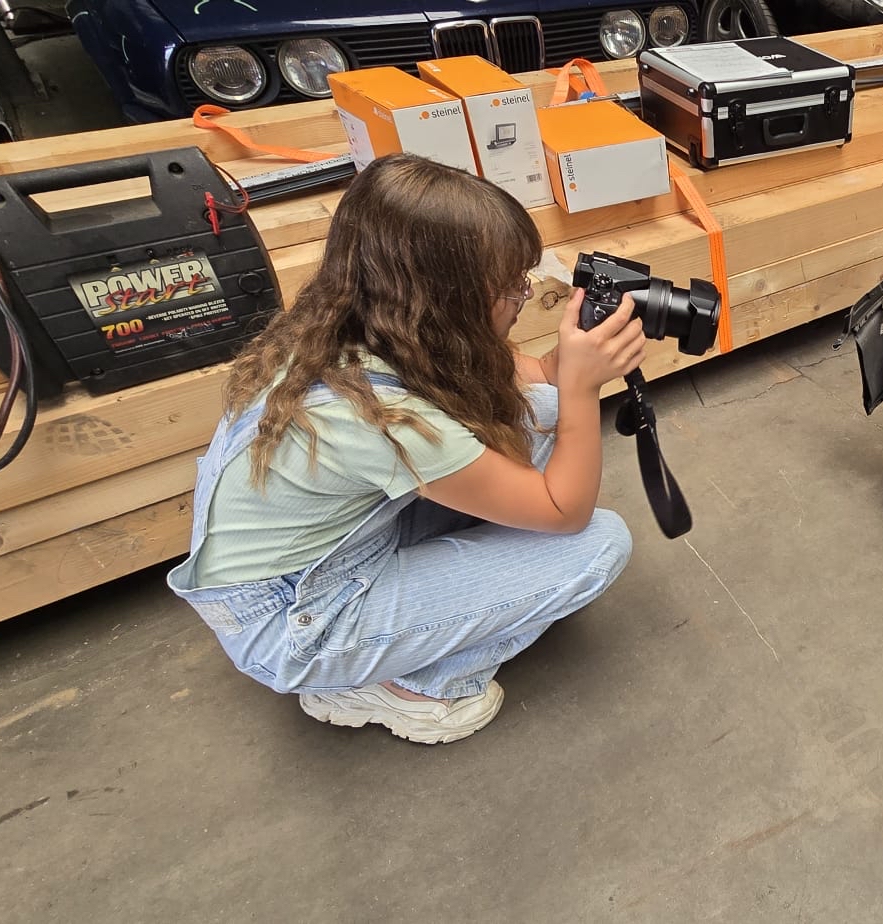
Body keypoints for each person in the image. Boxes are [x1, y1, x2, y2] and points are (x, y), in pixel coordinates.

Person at [167, 153, 646, 744]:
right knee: (597, 546)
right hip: (295, 623)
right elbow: (564, 511)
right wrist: (584, 389)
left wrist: (567, 363)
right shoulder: (376, 416)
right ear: (447, 300)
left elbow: (533, 378)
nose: (522, 297)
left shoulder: (357, 325)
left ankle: (407, 632)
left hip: (327, 557)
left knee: (538, 411)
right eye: (510, 287)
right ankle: (410, 688)